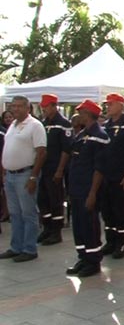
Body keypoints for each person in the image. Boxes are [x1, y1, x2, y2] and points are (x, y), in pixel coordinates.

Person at [65, 99, 110, 277]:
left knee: (89, 225)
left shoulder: (99, 135)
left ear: (89, 114)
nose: (78, 115)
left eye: (82, 112)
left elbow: (99, 168)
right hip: (77, 188)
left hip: (88, 189)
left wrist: (92, 193)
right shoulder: (82, 134)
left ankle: (93, 261)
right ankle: (83, 257)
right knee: (78, 225)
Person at [0, 96, 47, 263]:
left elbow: (41, 152)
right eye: (13, 106)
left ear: (28, 108)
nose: (16, 109)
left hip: (25, 174)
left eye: (20, 106)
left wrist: (34, 176)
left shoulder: (35, 125)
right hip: (11, 175)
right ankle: (16, 247)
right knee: (15, 213)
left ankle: (29, 248)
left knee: (28, 213)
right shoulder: (12, 125)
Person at [98, 93, 124, 259]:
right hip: (106, 176)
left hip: (120, 175)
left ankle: (121, 243)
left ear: (121, 105)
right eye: (107, 105)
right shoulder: (105, 126)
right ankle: (110, 241)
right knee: (107, 211)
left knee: (120, 211)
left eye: (111, 104)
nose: (108, 107)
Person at [37, 94, 72, 246]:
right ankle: (47, 227)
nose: (43, 109)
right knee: (42, 199)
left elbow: (66, 149)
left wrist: (60, 170)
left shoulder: (63, 123)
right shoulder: (43, 123)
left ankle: (56, 231)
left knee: (55, 199)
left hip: (55, 167)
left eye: (46, 106)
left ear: (53, 106)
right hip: (43, 167)